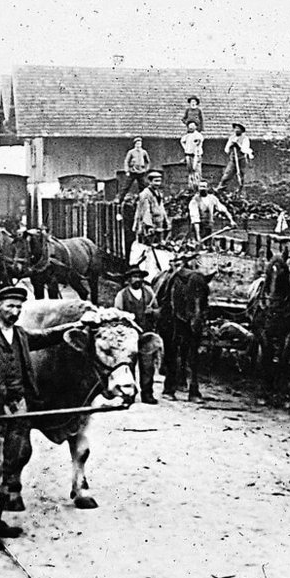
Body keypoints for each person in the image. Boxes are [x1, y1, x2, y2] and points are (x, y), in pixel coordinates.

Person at [0, 286, 87, 549]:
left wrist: (79, 324)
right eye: (10, 306)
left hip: (19, 407)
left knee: (13, 458)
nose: (14, 312)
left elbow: (47, 336)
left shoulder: (20, 334)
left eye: (19, 307)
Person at [112, 268, 164, 404]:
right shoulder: (121, 295)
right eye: (134, 277)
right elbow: (117, 316)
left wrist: (152, 311)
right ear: (129, 280)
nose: (138, 280)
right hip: (129, 337)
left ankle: (147, 394)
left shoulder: (149, 293)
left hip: (145, 336)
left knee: (147, 367)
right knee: (128, 366)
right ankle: (128, 395)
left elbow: (158, 312)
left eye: (140, 277)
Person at [133, 170, 171, 245]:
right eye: (155, 181)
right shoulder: (145, 194)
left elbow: (161, 208)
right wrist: (149, 226)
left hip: (158, 224)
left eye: (159, 181)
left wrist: (166, 221)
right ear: (150, 181)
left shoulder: (158, 193)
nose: (158, 183)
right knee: (148, 248)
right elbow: (145, 211)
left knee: (159, 246)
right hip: (149, 226)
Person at [220, 123, 254, 190]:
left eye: (238, 129)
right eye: (235, 128)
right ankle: (220, 189)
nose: (236, 130)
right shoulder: (232, 138)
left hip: (241, 159)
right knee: (227, 174)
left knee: (241, 175)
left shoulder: (245, 138)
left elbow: (245, 149)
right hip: (233, 159)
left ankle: (240, 190)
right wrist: (231, 145)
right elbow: (226, 150)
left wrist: (238, 145)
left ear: (241, 130)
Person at [119, 137, 151, 203]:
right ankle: (120, 199)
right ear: (135, 144)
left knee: (143, 186)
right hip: (132, 171)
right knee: (126, 186)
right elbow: (126, 161)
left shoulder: (144, 152)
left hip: (141, 172)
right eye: (137, 143)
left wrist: (146, 169)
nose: (138, 145)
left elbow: (148, 161)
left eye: (140, 143)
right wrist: (127, 171)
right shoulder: (131, 152)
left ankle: (143, 200)